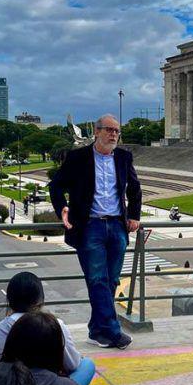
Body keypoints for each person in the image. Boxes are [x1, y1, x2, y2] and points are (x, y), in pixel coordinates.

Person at [49, 114, 141, 350]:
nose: (113, 135)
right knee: (98, 279)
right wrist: (63, 208)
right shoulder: (78, 157)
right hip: (90, 226)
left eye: (117, 131)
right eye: (109, 130)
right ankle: (112, 331)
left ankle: (96, 330)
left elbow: (134, 188)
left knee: (110, 281)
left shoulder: (123, 157)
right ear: (97, 132)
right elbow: (56, 185)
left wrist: (134, 216)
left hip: (117, 226)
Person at [0, 271, 96, 385]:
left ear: (9, 300)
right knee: (87, 364)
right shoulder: (56, 325)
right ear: (40, 300)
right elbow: (72, 364)